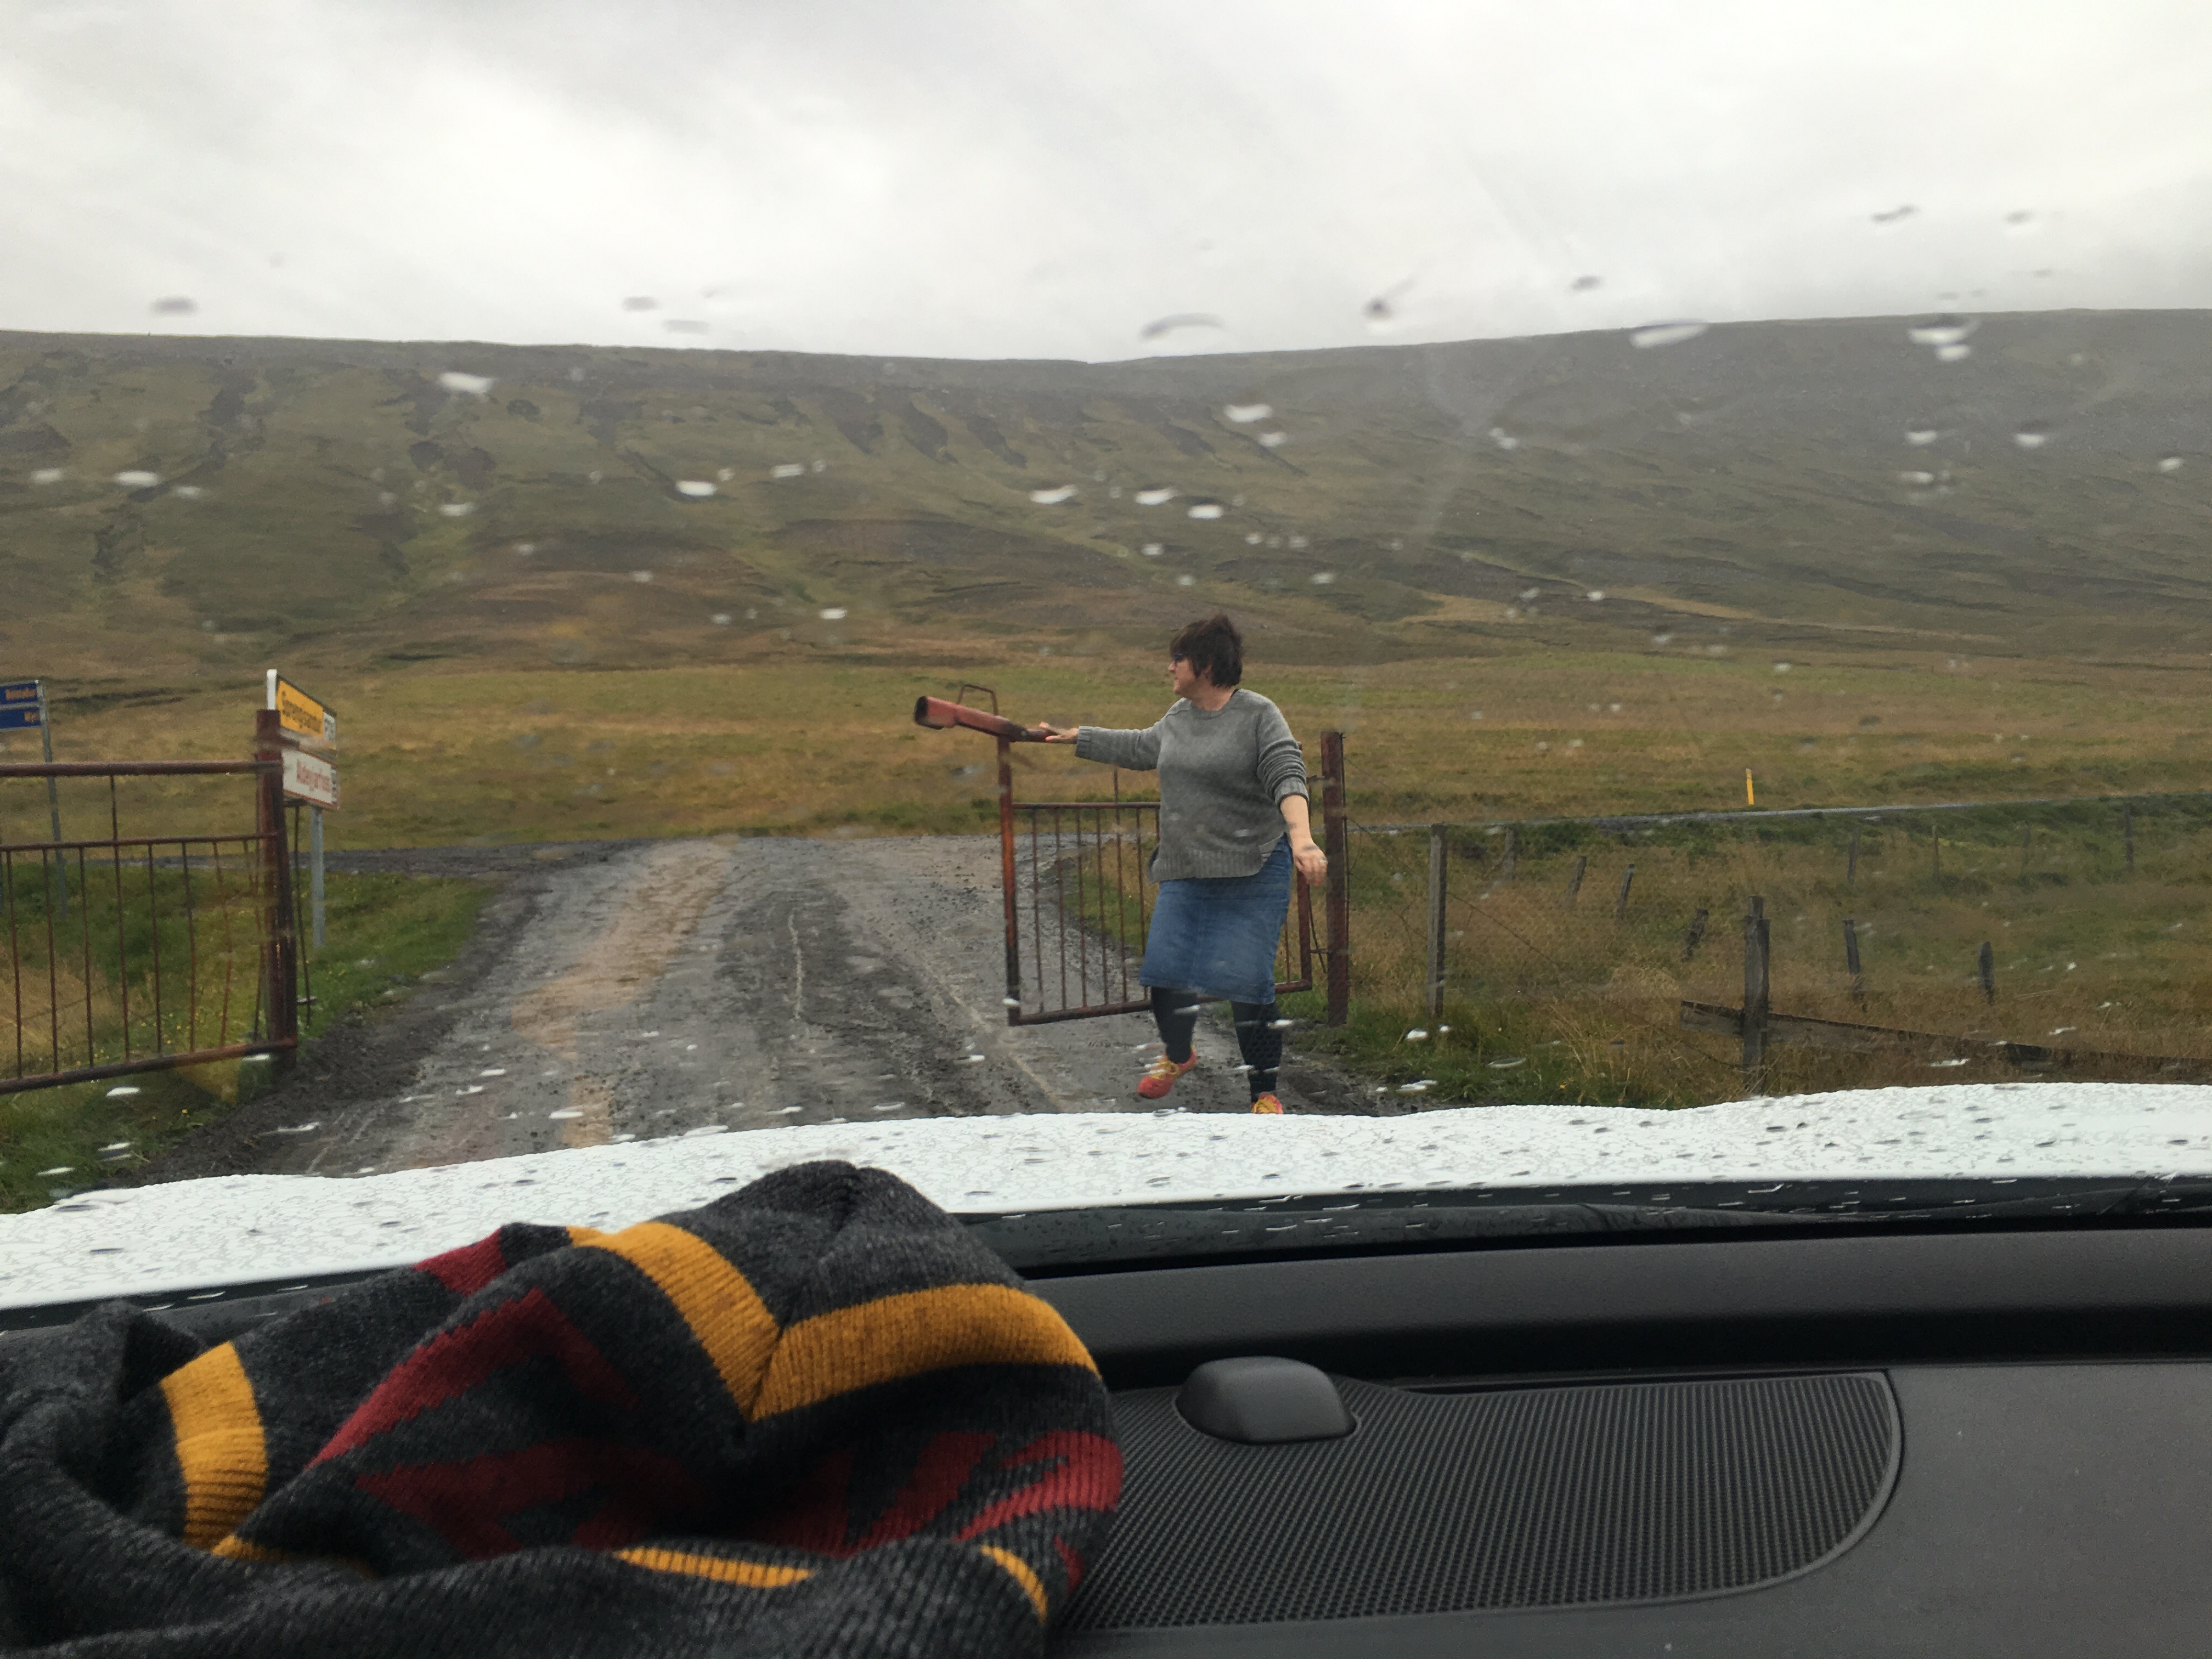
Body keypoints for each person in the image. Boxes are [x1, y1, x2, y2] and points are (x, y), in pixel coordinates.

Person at [1042, 612, 1327, 1114]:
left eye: (1178, 658)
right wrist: (1079, 737)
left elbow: (1288, 774)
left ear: (1207, 664)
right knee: (1165, 973)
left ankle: (1263, 1093)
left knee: (1247, 982)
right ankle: (1179, 1055)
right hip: (1186, 869)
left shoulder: (1259, 715)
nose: (1169, 667)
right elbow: (1141, 747)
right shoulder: (1178, 717)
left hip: (1253, 867)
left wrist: (1302, 840)